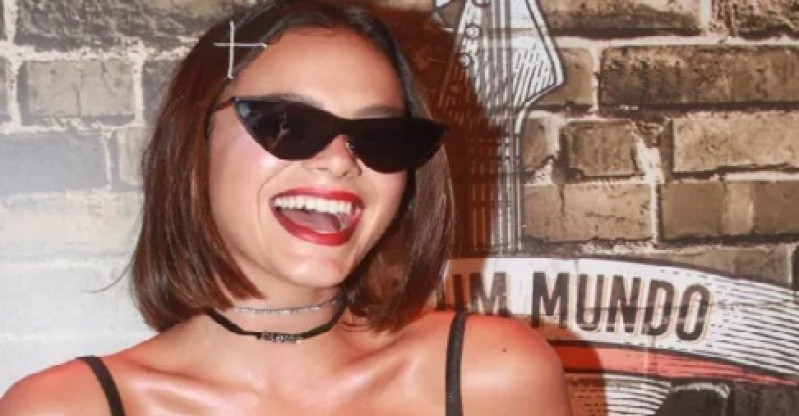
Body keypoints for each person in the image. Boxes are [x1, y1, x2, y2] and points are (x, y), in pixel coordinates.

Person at [0, 1, 571, 414]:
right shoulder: (68, 407)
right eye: (287, 124)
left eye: (379, 137)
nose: (340, 161)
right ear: (195, 140)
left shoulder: (492, 378)